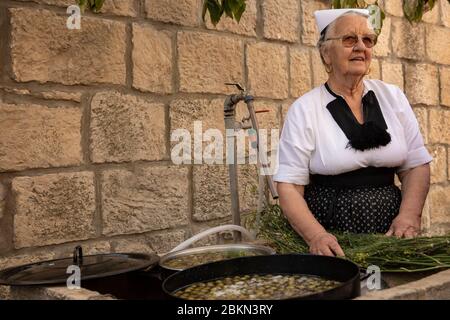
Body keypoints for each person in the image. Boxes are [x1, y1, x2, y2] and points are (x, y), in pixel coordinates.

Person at [273, 8, 432, 257]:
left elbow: (416, 165)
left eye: (367, 40)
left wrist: (409, 216)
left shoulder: (393, 97)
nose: (360, 47)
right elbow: (290, 185)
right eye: (349, 39)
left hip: (391, 229)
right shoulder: (305, 109)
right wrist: (316, 235)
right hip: (334, 233)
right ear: (326, 53)